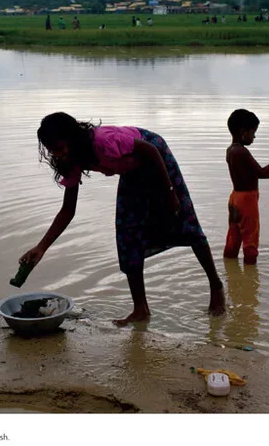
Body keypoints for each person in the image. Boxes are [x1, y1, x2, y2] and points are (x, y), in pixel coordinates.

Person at [22, 112, 226, 326]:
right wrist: (41, 248)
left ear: (72, 138)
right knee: (128, 236)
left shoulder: (104, 142)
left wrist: (169, 191)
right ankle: (140, 309)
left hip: (156, 158)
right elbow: (67, 210)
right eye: (52, 150)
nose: (57, 155)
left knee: (185, 221)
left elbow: (150, 150)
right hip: (132, 171)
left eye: (60, 147)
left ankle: (216, 286)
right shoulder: (70, 160)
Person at [224, 109, 269, 264]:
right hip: (247, 201)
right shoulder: (242, 152)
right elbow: (261, 172)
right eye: (253, 132)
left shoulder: (231, 150)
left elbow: (252, 175)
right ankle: (251, 275)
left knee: (233, 237)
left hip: (235, 199)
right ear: (243, 131)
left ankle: (229, 270)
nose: (254, 136)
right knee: (250, 240)